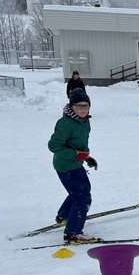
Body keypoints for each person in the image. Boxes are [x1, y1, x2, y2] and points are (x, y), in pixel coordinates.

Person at [47, 88, 99, 243]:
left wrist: (87, 156)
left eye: (85, 106)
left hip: (75, 163)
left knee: (81, 191)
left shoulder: (84, 121)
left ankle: (63, 216)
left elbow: (79, 144)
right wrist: (76, 155)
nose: (82, 109)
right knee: (82, 198)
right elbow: (53, 146)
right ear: (72, 107)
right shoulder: (65, 123)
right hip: (65, 165)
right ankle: (73, 233)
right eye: (78, 106)